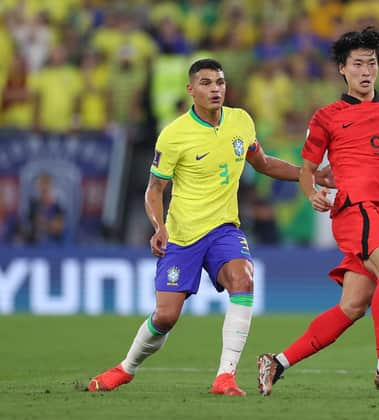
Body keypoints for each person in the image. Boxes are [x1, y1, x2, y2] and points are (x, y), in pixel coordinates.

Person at [87, 58, 330, 396]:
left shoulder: (241, 121)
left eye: (219, 82)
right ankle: (126, 368)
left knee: (243, 277)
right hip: (182, 236)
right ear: (191, 90)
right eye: (206, 83)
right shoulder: (174, 135)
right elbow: (154, 189)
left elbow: (263, 163)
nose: (215, 89)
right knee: (166, 317)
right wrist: (158, 226)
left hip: (224, 229)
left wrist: (311, 173)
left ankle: (225, 377)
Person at [257, 27, 379, 396]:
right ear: (342, 70)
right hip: (355, 209)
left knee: (352, 305)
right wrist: (311, 192)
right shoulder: (327, 117)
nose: (367, 71)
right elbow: (306, 168)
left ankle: (277, 362)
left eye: (373, 63)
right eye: (359, 64)